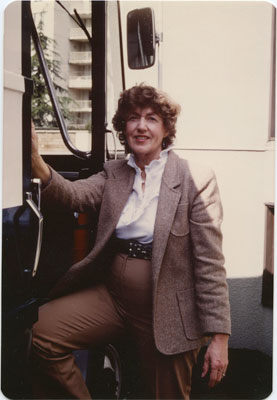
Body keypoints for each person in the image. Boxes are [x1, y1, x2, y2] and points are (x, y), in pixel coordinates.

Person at [31, 84, 231, 400]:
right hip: (113, 296)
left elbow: (210, 263)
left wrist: (219, 337)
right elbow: (75, 195)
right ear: (124, 127)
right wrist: (37, 164)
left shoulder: (196, 178)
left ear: (166, 129)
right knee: (41, 335)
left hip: (167, 307)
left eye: (152, 119)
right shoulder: (115, 173)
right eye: (133, 118)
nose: (141, 126)